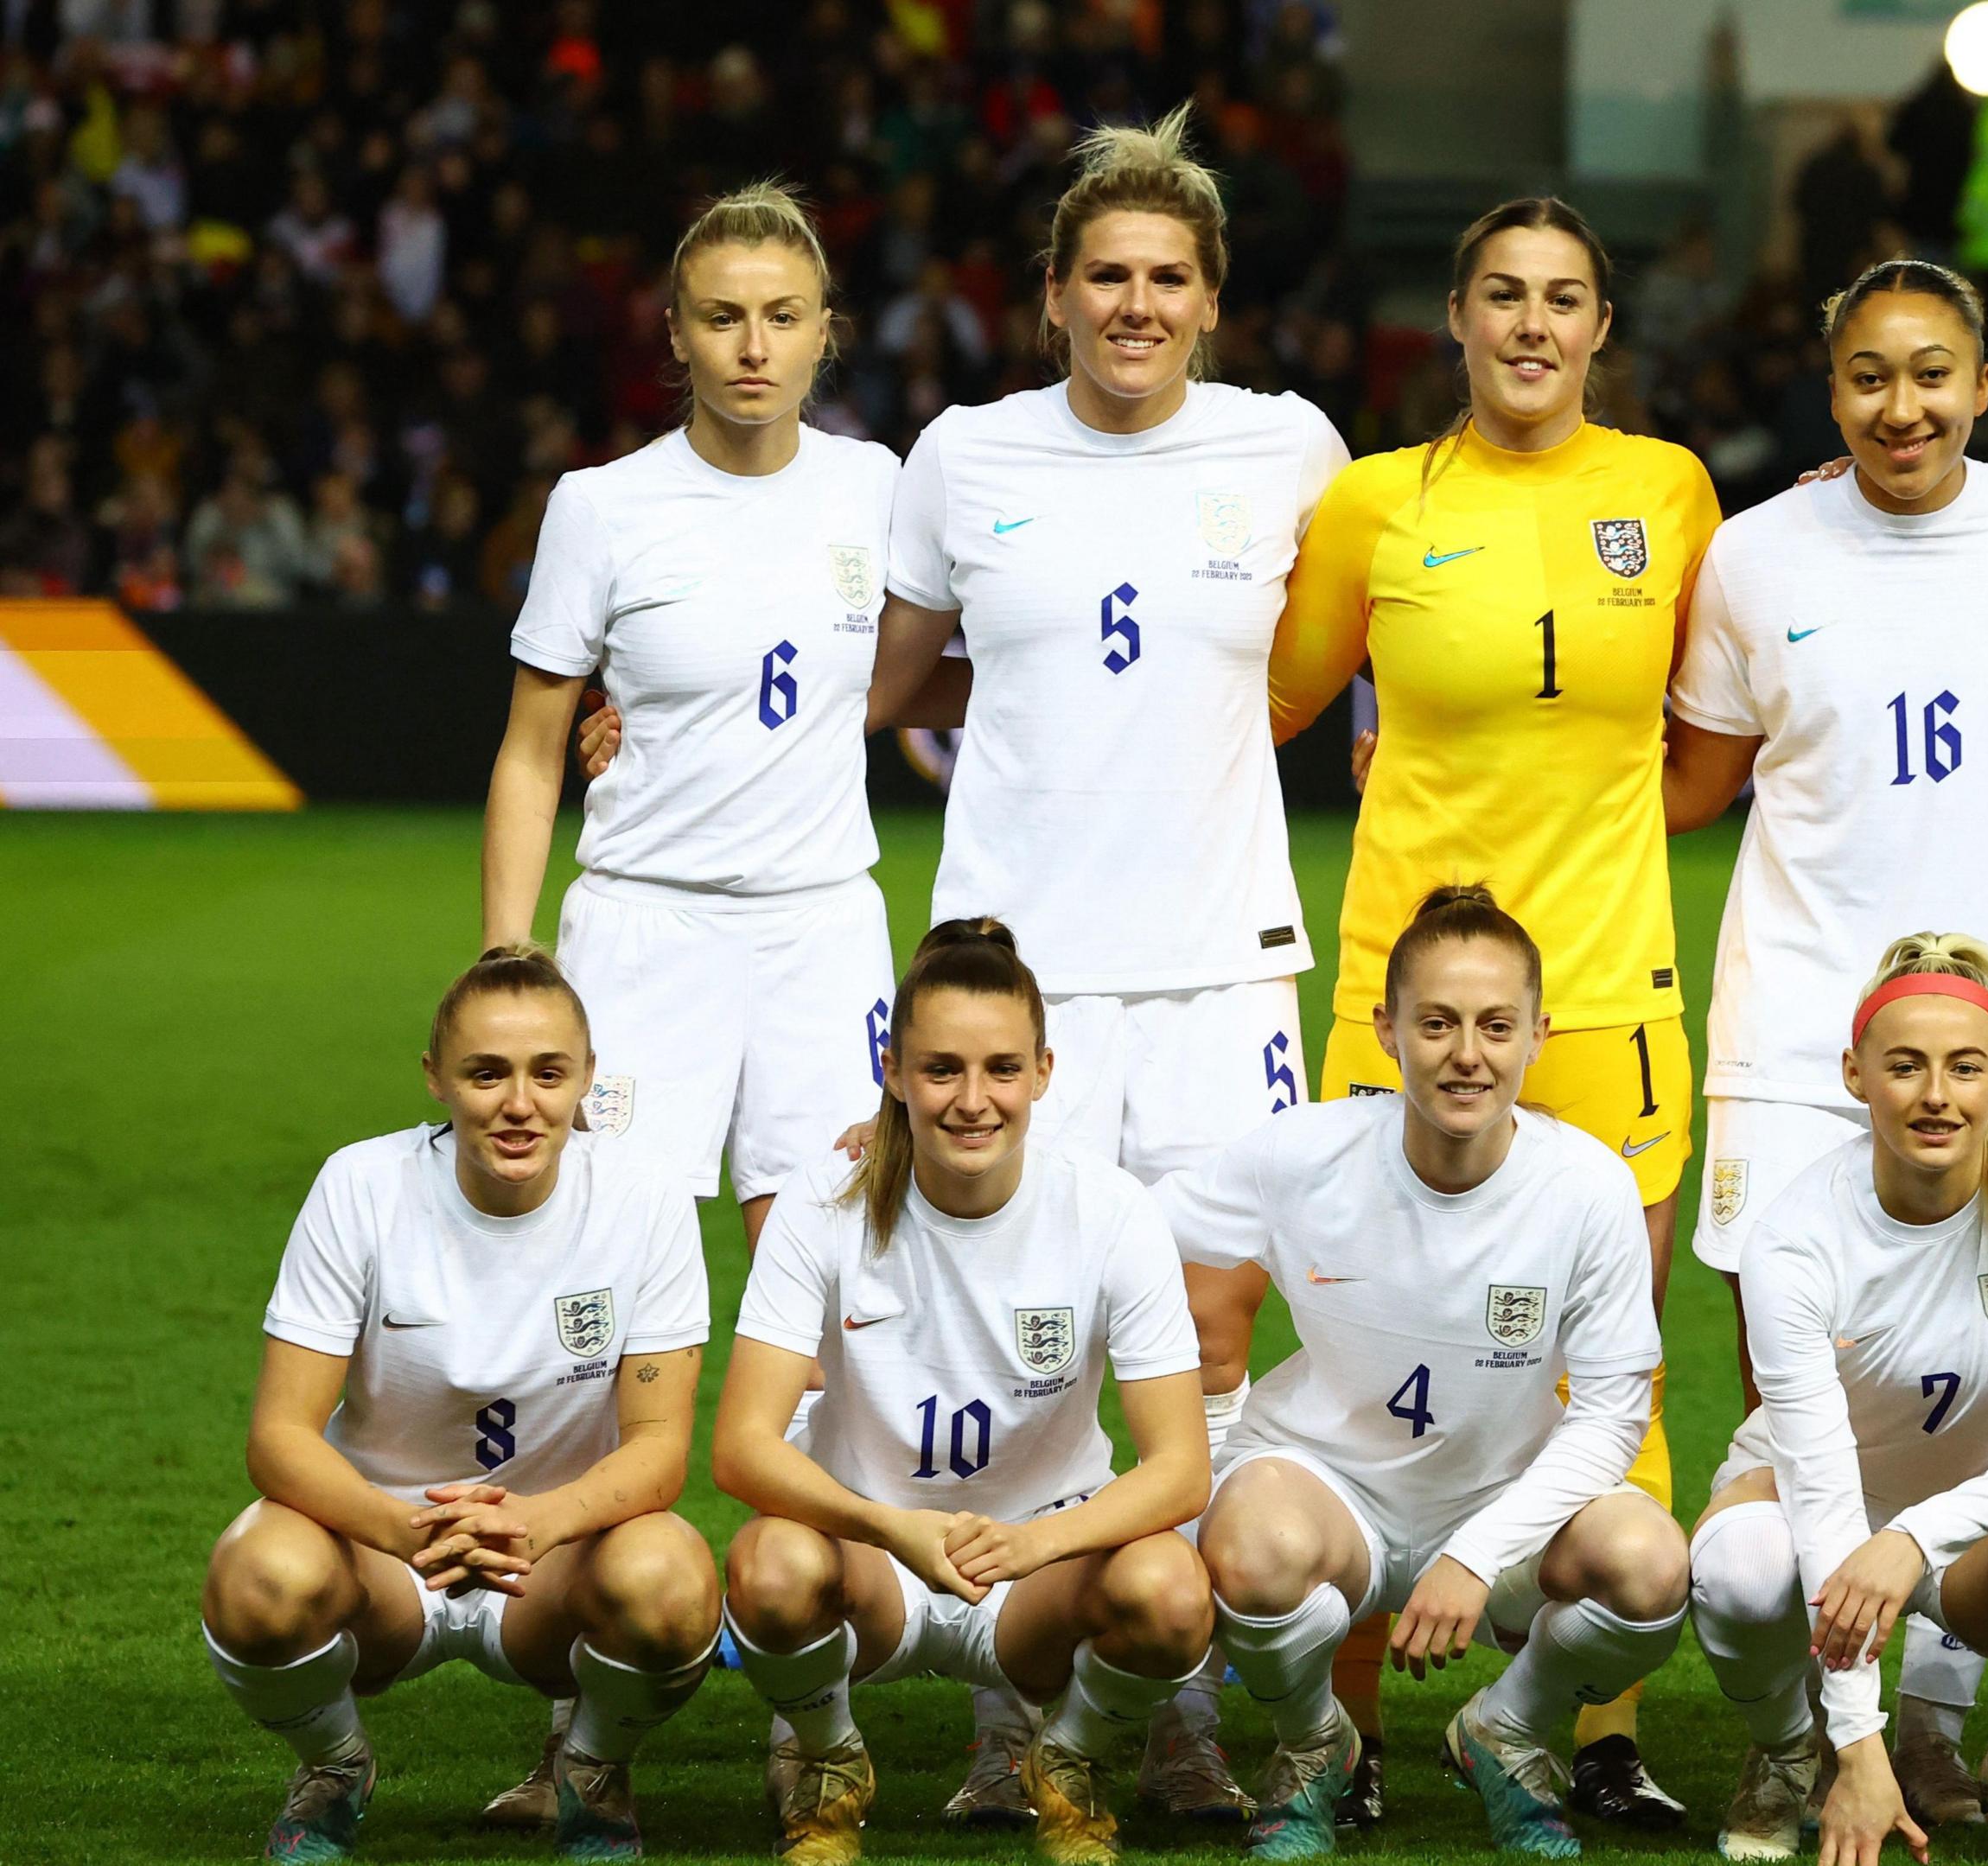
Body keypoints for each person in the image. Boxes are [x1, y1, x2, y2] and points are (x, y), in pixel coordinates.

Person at [863, 108, 1354, 1821]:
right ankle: (1015, 1705)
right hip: (1021, 983)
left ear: (1211, 301)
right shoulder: (965, 456)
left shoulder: (1291, 447)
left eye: (1170, 278)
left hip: (1224, 973)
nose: (1137, 303)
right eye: (1107, 276)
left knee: (1202, 1348)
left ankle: (1179, 1698)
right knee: (1023, 1342)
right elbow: (895, 678)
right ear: (1052, 295)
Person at [1268, 195, 1720, 1825]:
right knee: (1370, 1363)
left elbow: (1715, 734)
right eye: (1503, 297)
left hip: (1609, 1002)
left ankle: (1585, 1725)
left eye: (1567, 300)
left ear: (1603, 328)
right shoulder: (1374, 507)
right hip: (1404, 1004)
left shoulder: (1669, 493)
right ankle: (1352, 1728)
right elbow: (1260, 700)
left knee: (1618, 1371)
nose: (1534, 326)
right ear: (1452, 320)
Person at [1662, 256, 1988, 1828]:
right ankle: (1809, 1727)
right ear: (1829, 388)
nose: (1901, 404)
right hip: (1792, 1028)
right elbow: (1691, 780)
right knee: (1803, 1399)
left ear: (1986, 386)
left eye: (1933, 372)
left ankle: (1929, 1718)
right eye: (1868, 374)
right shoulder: (1753, 552)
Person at [1152, 886, 1687, 1859]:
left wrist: (1478, 1551)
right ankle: (1317, 1744)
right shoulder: (1301, 1154)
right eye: (1436, 1023)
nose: (1466, 1053)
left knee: (1650, 1568)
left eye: (1495, 1025)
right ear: (1387, 1030)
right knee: (1254, 1549)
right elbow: (1119, 1225)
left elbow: (1612, 1414)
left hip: (1500, 1499)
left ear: (1539, 1035)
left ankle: (1504, 1727)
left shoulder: (1590, 1187)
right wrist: (926, 1152)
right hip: (1325, 1487)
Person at [714, 920, 1218, 1866]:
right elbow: (741, 1445)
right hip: (874, 1558)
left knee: (1170, 1589)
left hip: (1042, 1563)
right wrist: (890, 1526)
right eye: (941, 1068)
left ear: (1043, 1072)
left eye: (1001, 1068)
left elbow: (1182, 1466)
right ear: (893, 1068)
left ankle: (1066, 1760)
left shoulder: (1110, 1210)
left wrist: (1037, 1541)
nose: (974, 1099)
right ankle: (828, 1765)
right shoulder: (824, 1199)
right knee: (770, 1566)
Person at [198, 947, 717, 1863]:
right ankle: (333, 1767)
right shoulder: (361, 1185)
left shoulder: (647, 1202)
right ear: (436, 1077)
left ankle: (590, 1773)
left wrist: (540, 1520)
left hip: (551, 1562)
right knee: (257, 1577)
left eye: (547, 1072)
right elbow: (280, 1436)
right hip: (383, 1554)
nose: (519, 1103)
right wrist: (403, 1529)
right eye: (487, 1072)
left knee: (672, 1580)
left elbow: (660, 1446)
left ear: (587, 1078)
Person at [481, 181, 899, 1255]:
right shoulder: (602, 506)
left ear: (824, 332)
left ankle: (790, 1437)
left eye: (783, 315)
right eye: (722, 317)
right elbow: (533, 753)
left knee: (831, 1270)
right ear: (675, 332)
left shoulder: (881, 488)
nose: (753, 346)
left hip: (823, 929)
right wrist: (507, 958)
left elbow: (918, 677)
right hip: (645, 929)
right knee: (604, 1260)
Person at [1688, 934, 1988, 1866]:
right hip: (1830, 1503)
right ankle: (1788, 1752)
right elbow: (1816, 1483)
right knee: (1737, 1563)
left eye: (1964, 1066)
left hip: (1984, 1527)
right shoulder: (1794, 1237)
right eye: (1905, 1065)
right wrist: (1858, 1743)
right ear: (1855, 1073)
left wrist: (1912, 1536)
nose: (1937, 1094)